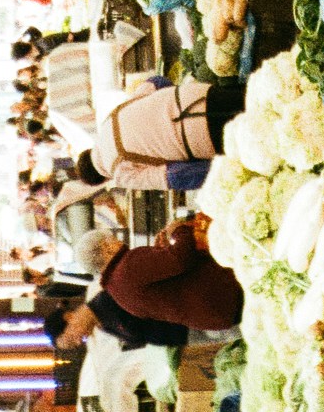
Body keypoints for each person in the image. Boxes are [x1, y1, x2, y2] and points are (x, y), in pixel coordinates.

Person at [89, 216, 243, 333]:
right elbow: (181, 259)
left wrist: (160, 253)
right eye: (114, 240)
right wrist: (178, 229)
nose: (120, 242)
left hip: (218, 313)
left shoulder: (118, 294)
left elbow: (165, 291)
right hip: (224, 293)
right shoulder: (126, 268)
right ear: (107, 248)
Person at [96, 75, 245, 187]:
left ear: (103, 179)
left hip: (203, 137)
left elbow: (174, 176)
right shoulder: (110, 119)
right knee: (260, 99)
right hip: (200, 95)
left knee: (261, 133)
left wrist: (221, 169)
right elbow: (157, 82)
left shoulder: (119, 174)